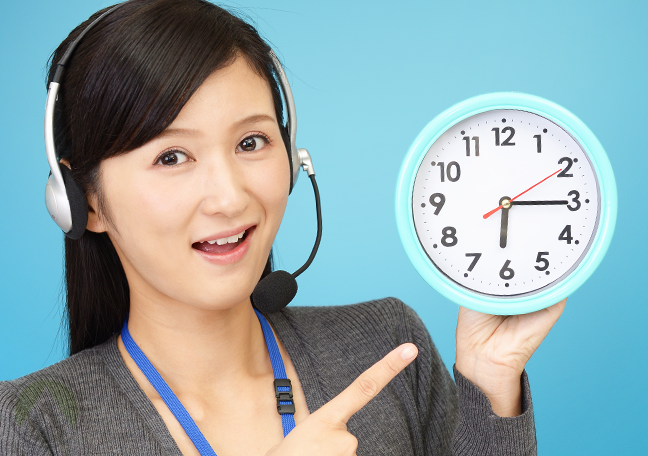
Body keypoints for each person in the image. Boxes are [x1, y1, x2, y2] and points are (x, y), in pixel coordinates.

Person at [0, 0, 565, 455]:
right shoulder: (31, 426)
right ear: (82, 201)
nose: (229, 197)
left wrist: (491, 386)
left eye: (252, 143)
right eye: (172, 157)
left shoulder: (388, 347)